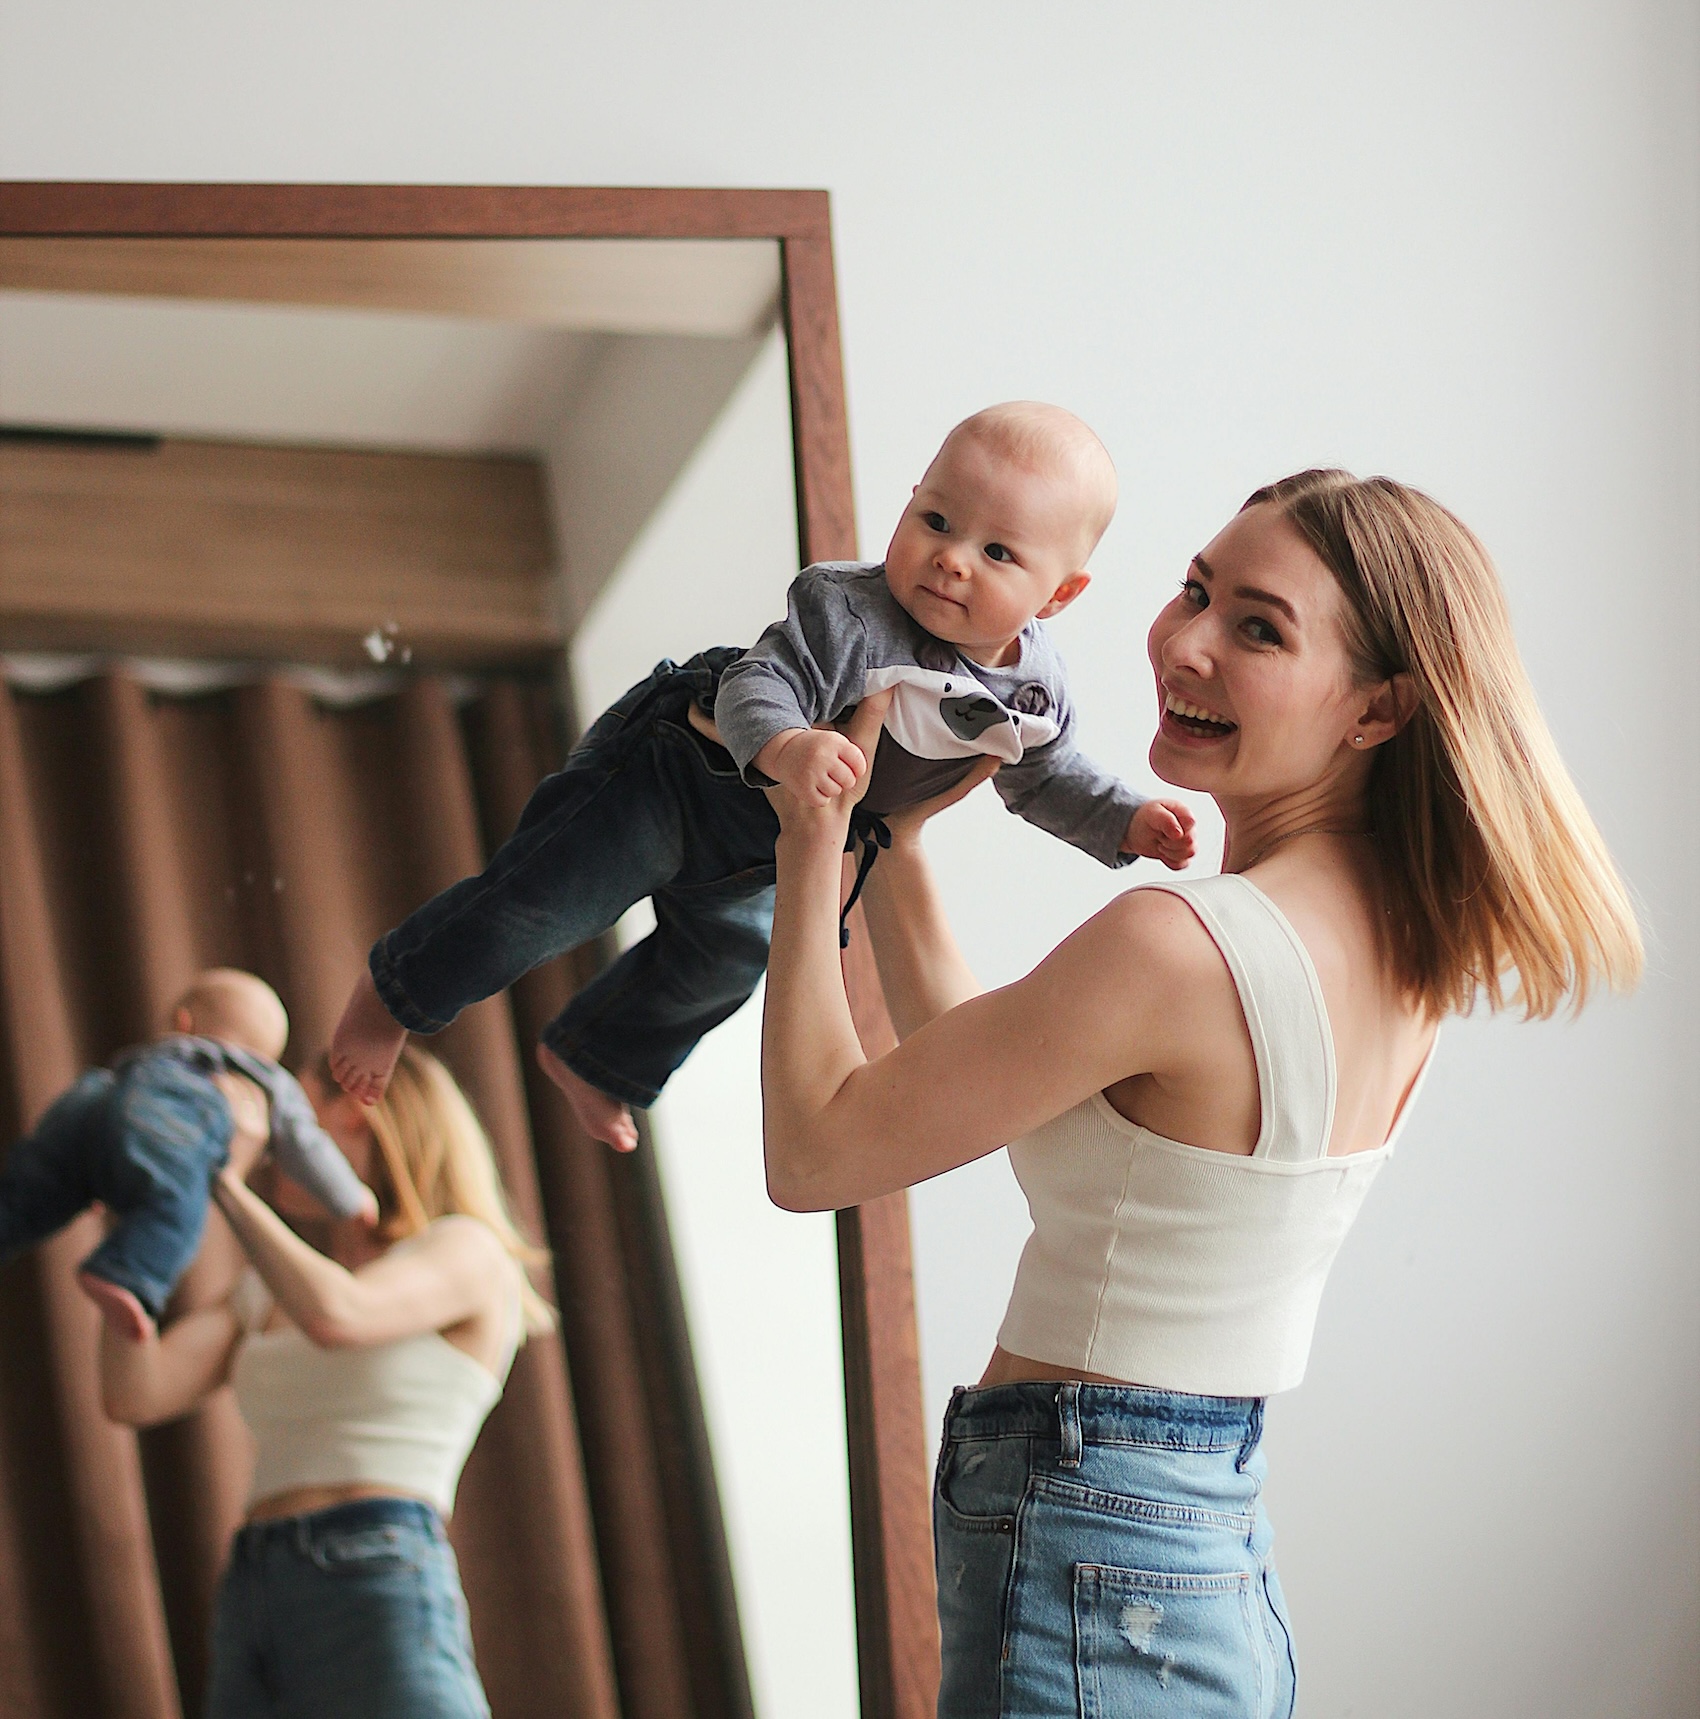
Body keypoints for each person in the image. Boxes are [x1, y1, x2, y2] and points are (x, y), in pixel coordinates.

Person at [757, 469, 1642, 1715]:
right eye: (1191, 593)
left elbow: (814, 1154)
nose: (1182, 644)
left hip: (1088, 1543)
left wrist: (809, 836)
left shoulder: (1178, 943)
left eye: (1256, 627)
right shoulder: (1399, 948)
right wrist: (887, 843)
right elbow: (1001, 1083)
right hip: (1200, 1551)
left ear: (1377, 709)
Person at [329, 402, 1196, 1150]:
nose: (953, 558)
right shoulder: (848, 608)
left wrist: (1124, 822)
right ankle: (394, 994)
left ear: (1059, 595)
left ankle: (597, 1056)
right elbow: (757, 683)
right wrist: (788, 746)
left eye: (998, 551)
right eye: (936, 520)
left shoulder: (1035, 692)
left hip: (774, 848)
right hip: (679, 776)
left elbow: (1046, 779)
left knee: (727, 963)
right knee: (540, 906)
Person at [98, 1043, 553, 1719]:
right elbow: (135, 1391)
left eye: (296, 1120)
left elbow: (340, 1313)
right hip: (254, 1584)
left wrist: (221, 1180)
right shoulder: (264, 1289)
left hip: (371, 1565)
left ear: (363, 1119)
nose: (280, 1147)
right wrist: (139, 1211)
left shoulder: (469, 1250)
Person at [0, 968, 375, 1342]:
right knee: (176, 1208)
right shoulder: (267, 1079)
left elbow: (122, 1111)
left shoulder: (165, 1052)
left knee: (37, 1189)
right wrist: (350, 1196)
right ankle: (125, 1272)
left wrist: (100, 1162)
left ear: (183, 1022)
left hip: (98, 1097)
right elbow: (306, 1146)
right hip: (168, 1116)